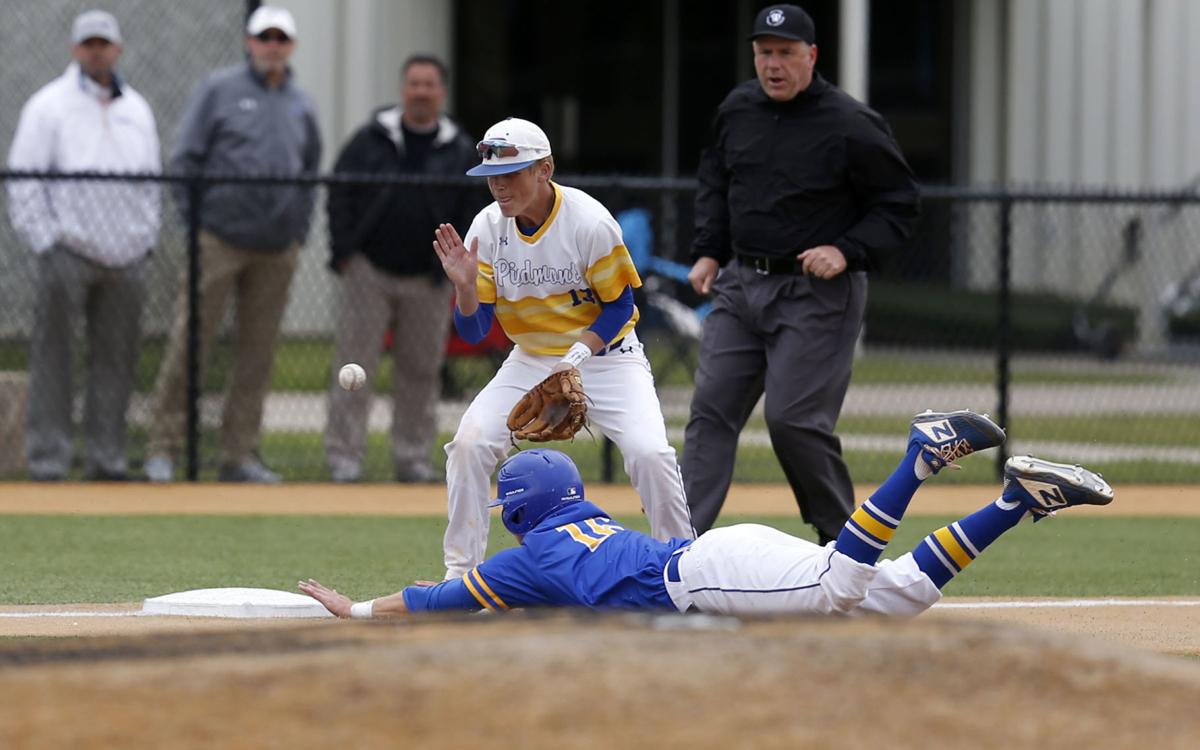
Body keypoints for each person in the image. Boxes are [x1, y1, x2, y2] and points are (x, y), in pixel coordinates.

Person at [300, 410, 1115, 618]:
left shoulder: (531, 559)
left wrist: (356, 610)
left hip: (708, 579)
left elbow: (435, 601)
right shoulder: (574, 533)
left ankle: (922, 457)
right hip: (716, 559)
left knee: (840, 586)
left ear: (518, 513)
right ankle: (1015, 500)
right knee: (894, 596)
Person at [683, 4, 921, 544]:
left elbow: (900, 204)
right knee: (710, 412)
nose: (774, 64)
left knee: (793, 422)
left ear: (812, 56)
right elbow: (716, 181)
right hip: (741, 285)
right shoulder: (737, 109)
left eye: (786, 53)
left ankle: (846, 545)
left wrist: (847, 249)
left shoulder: (851, 124)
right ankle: (677, 547)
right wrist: (708, 251)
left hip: (816, 294)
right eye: (764, 52)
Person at [429, 117, 695, 580]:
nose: (499, 185)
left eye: (511, 173)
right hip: (530, 358)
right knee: (470, 443)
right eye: (492, 176)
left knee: (650, 454)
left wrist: (574, 359)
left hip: (609, 358)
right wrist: (467, 289)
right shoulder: (488, 228)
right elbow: (474, 332)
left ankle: (687, 569)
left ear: (544, 169)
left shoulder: (589, 221)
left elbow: (621, 306)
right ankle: (461, 576)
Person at [143, 5, 321, 483]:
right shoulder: (218, 90)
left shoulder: (301, 102)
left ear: (292, 46)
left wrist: (297, 231)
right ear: (249, 41)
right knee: (189, 343)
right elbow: (186, 160)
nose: (272, 46)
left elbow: (309, 171)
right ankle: (163, 447)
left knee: (257, 354)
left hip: (276, 248)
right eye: (265, 37)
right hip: (218, 240)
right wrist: (196, 226)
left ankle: (238, 455)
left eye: (281, 38)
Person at [6, 10, 160, 481]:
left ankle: (106, 459)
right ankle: (49, 460)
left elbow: (152, 182)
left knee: (115, 360)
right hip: (68, 250)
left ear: (117, 49)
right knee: (54, 356)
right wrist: (46, 240)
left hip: (128, 255)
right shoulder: (48, 106)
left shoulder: (137, 109)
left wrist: (146, 237)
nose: (97, 51)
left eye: (105, 43)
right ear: (76, 49)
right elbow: (24, 178)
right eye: (88, 43)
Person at [324, 54, 478, 484]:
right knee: (354, 365)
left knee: (422, 370)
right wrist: (344, 250)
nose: (421, 91)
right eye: (414, 83)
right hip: (369, 270)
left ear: (441, 91)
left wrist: (448, 266)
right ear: (402, 88)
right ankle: (344, 457)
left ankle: (412, 458)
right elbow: (340, 191)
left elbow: (471, 209)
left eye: (430, 84)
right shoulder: (372, 138)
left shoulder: (458, 147)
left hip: (428, 278)